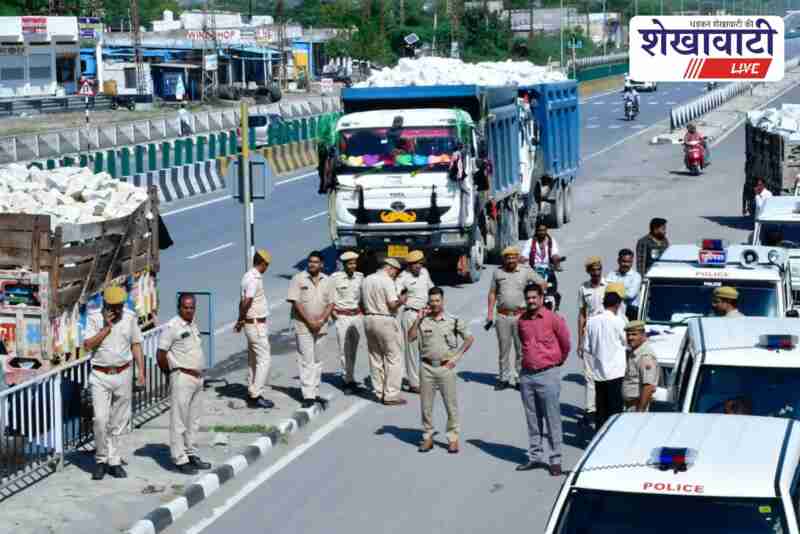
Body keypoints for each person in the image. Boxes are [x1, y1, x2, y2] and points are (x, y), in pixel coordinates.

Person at [83, 286, 145, 481]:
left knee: (118, 421)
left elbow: (136, 344)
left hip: (123, 373)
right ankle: (101, 460)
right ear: (106, 305)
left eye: (119, 306)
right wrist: (106, 328)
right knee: (100, 420)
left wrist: (141, 371)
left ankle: (114, 460)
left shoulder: (129, 317)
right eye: (113, 307)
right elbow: (88, 344)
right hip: (100, 375)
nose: (117, 310)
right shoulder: (94, 318)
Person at [409, 287, 474, 454]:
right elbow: (410, 337)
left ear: (443, 301)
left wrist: (456, 358)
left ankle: (452, 438)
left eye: (438, 301)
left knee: (450, 405)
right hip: (426, 367)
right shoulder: (423, 320)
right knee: (426, 406)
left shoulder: (453, 320)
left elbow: (469, 338)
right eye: (432, 301)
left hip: (446, 367)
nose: (435, 304)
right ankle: (427, 436)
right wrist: (417, 319)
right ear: (428, 302)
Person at [516, 283, 571, 476]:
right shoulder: (521, 320)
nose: (531, 300)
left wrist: (556, 363)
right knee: (532, 418)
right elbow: (521, 344)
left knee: (552, 417)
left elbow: (566, 343)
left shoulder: (553, 318)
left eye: (534, 297)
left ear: (541, 298)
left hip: (548, 374)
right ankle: (535, 456)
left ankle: (555, 459)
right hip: (527, 375)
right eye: (528, 297)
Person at [157, 293, 212, 475]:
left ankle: (191, 453)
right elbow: (161, 354)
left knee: (193, 420)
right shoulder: (172, 326)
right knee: (179, 421)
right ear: (179, 307)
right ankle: (179, 458)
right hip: (182, 377)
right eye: (185, 307)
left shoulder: (192, 324)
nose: (189, 310)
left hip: (197, 377)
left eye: (192, 307)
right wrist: (170, 373)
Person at [487, 246, 546, 391]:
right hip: (502, 315)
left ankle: (520, 378)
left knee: (521, 349)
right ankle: (504, 378)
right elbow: (492, 293)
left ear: (517, 257)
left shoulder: (525, 271)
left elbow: (542, 284)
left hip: (521, 316)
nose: (511, 260)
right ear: (504, 259)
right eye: (508, 257)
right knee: (504, 349)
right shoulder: (497, 272)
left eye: (513, 257)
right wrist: (490, 314)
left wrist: (538, 304)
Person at [287, 251, 333, 409]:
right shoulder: (298, 278)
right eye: (310, 261)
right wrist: (309, 321)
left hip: (321, 326)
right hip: (303, 326)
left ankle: (315, 391)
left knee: (318, 360)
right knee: (306, 360)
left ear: (321, 264)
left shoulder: (327, 280)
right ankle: (308, 395)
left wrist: (320, 320)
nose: (312, 264)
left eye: (315, 262)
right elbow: (296, 303)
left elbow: (330, 303)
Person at [363, 258, 408, 405]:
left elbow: (361, 303)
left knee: (375, 357)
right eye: (395, 271)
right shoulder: (387, 280)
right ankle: (391, 394)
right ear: (390, 268)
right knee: (393, 357)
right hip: (385, 319)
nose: (395, 275)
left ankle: (379, 391)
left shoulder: (367, 279)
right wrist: (402, 300)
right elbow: (392, 305)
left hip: (369, 319)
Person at [235, 250, 274, 410]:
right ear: (263, 264)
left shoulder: (247, 275)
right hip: (256, 325)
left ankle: (252, 389)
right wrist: (241, 318)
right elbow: (247, 301)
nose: (267, 268)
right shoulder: (254, 279)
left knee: (253, 360)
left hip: (251, 323)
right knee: (265, 359)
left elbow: (241, 301)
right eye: (267, 266)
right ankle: (256, 395)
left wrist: (240, 320)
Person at [583, 290, 627, 430]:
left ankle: (599, 438)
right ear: (618, 305)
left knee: (601, 410)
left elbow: (587, 347)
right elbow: (626, 342)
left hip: (599, 373)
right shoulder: (618, 321)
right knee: (615, 411)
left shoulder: (591, 322)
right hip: (616, 372)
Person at [397, 250, 434, 394]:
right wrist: (401, 296)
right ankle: (414, 383)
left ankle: (426, 378)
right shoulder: (403, 277)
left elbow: (431, 288)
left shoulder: (424, 272)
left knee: (427, 348)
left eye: (420, 263)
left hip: (426, 314)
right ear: (409, 265)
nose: (418, 266)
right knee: (412, 350)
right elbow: (396, 293)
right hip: (411, 314)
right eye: (415, 264)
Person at [328, 251, 364, 395]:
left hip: (356, 316)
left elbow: (362, 297)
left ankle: (351, 376)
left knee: (353, 349)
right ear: (344, 265)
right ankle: (347, 380)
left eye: (354, 263)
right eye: (349, 263)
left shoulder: (360, 277)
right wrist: (333, 314)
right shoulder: (335, 278)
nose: (352, 266)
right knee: (344, 349)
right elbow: (329, 298)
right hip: (342, 317)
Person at [577, 256, 607, 426]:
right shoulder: (583, 288)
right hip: (589, 334)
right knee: (589, 374)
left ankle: (604, 407)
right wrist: (580, 341)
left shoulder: (608, 286)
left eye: (598, 269)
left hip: (605, 333)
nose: (596, 273)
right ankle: (590, 409)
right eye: (593, 270)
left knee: (604, 371)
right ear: (588, 271)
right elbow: (582, 315)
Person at [623, 321, 659, 412]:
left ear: (643, 335)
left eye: (634, 334)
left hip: (637, 406)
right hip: (630, 405)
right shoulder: (635, 351)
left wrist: (640, 411)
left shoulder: (645, 356)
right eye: (628, 335)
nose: (630, 338)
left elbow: (648, 386)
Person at [606, 248, 642, 321]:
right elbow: (606, 290)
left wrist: (613, 290)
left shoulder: (636, 276)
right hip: (613, 311)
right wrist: (621, 291)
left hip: (630, 312)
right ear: (618, 261)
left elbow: (630, 295)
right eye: (624, 261)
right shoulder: (611, 275)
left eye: (629, 262)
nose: (626, 264)